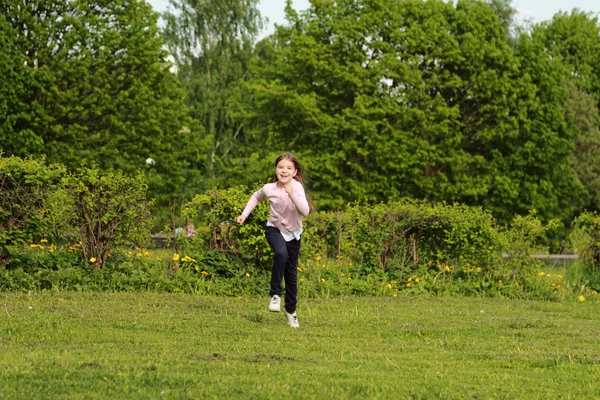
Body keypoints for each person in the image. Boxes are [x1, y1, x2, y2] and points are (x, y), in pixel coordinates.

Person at [237, 153, 314, 328]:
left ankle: (291, 311)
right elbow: (256, 197)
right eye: (280, 167)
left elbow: (305, 211)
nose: (284, 171)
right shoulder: (269, 188)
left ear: (295, 172)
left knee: (291, 274)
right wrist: (244, 214)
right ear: (275, 170)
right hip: (274, 229)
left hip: (294, 234)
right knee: (280, 253)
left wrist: (292, 194)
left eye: (288, 168)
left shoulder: (297, 187)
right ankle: (275, 294)